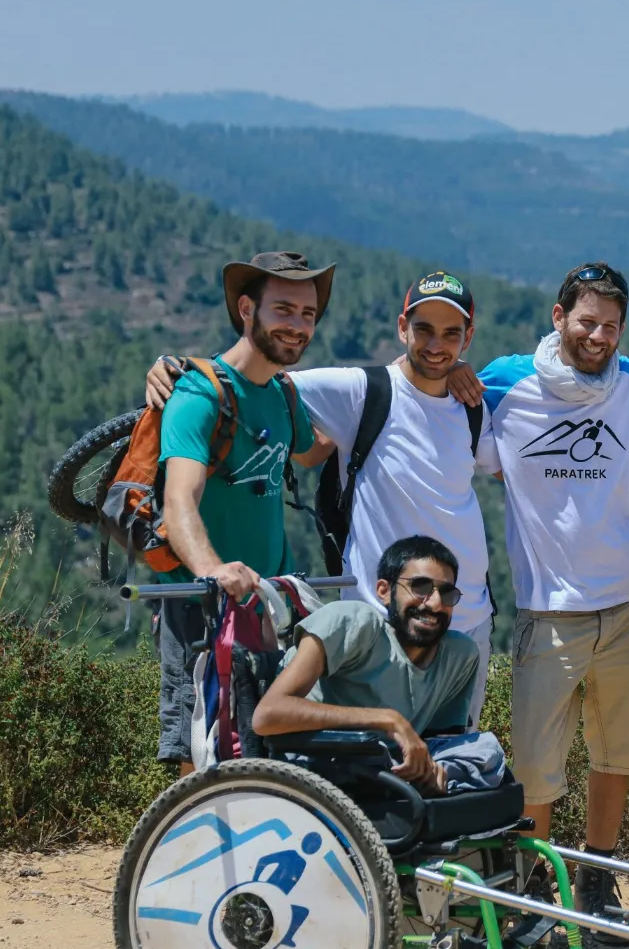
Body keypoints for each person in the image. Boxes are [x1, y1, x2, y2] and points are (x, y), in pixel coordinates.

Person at [146, 271, 498, 729]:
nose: (436, 344)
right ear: (402, 328)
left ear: (469, 336)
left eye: (451, 333)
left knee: (447, 764)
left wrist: (453, 369)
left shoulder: (475, 405)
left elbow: (299, 431)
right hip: (379, 619)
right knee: (366, 760)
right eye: (424, 329)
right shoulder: (358, 390)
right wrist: (176, 367)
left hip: (465, 621)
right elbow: (250, 376)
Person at [475, 262, 629, 933]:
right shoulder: (504, 380)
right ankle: (533, 880)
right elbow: (430, 388)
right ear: (558, 316)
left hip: (627, 600)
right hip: (547, 608)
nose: (597, 335)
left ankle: (597, 876)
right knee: (536, 768)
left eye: (610, 324)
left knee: (617, 753)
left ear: (622, 328)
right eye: (586, 320)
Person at [154, 251, 323, 775]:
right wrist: (212, 569)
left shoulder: (282, 393)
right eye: (284, 310)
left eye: (308, 314)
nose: (297, 326)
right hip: (204, 605)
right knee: (200, 754)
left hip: (271, 602)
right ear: (247, 309)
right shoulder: (200, 392)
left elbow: (314, 448)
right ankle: (185, 854)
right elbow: (179, 498)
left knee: (274, 751)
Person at [252, 535, 486, 797]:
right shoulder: (354, 622)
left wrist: (434, 767)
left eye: (447, 593)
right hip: (319, 765)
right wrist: (386, 720)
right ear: (384, 591)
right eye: (420, 587)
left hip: (390, 766)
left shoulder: (459, 655)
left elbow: (441, 740)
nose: (434, 603)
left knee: (486, 751)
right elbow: (268, 715)